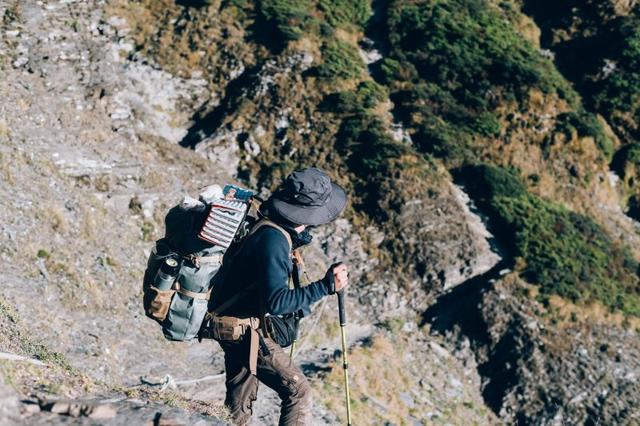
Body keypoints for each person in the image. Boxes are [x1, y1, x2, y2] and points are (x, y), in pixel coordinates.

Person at [208, 167, 349, 426]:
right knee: (298, 392)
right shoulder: (274, 240)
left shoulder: (268, 227)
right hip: (244, 331)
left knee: (239, 404)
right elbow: (278, 302)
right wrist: (326, 286)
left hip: (232, 326)